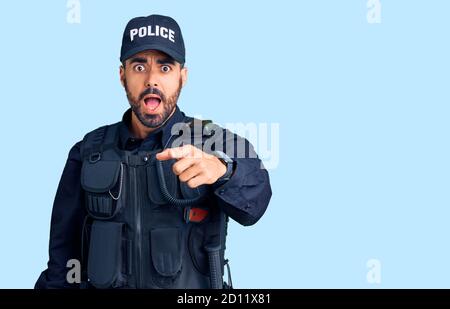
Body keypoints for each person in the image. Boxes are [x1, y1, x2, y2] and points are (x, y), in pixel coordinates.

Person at [35, 14, 272, 289]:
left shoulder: (212, 141)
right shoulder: (88, 150)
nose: (151, 80)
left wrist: (224, 172)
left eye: (165, 68)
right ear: (122, 75)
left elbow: (257, 200)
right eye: (138, 67)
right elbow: (63, 258)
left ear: (183, 76)